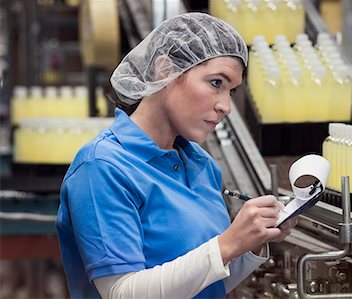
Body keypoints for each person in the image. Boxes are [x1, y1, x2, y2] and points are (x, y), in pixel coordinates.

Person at [56, 12, 297, 299]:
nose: (225, 107)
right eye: (216, 83)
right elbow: (121, 292)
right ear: (165, 70)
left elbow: (202, 284)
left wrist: (253, 242)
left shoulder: (202, 165)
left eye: (231, 91)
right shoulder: (103, 167)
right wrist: (227, 245)